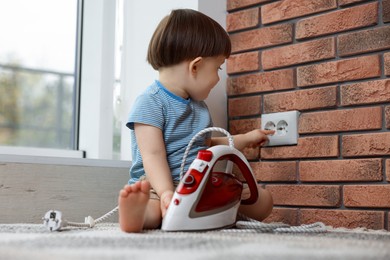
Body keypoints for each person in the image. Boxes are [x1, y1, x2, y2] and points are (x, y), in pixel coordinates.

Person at [118, 8, 274, 233]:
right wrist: (165, 193)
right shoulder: (150, 102)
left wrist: (246, 139)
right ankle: (137, 213)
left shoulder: (200, 109)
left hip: (197, 187)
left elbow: (207, 146)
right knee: (153, 213)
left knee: (263, 202)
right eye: (217, 68)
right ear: (196, 66)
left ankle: (193, 212)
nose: (218, 78)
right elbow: (152, 154)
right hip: (157, 187)